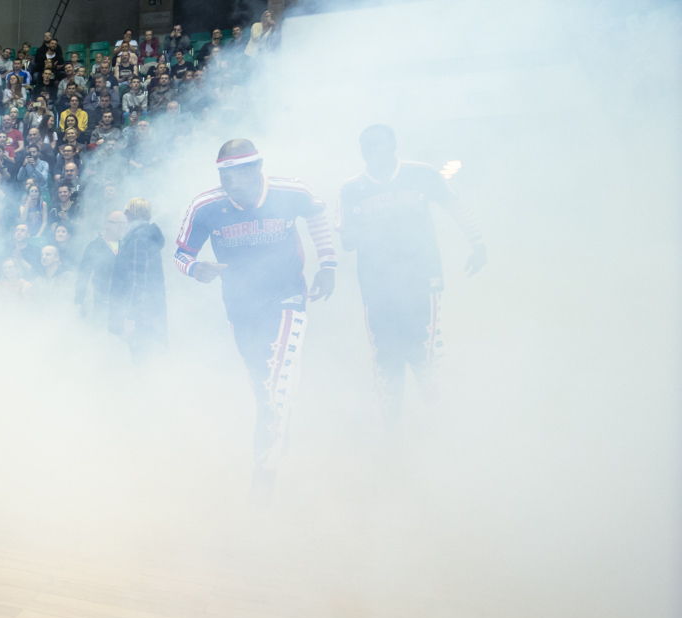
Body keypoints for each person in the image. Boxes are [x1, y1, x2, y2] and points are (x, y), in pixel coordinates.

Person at [174, 139, 336, 482]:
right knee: (262, 383)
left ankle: (264, 471)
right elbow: (182, 254)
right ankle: (280, 430)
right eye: (225, 175)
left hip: (288, 297)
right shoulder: (205, 206)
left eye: (239, 173)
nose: (232, 182)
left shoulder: (290, 191)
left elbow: (317, 214)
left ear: (258, 168)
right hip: (241, 306)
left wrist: (328, 265)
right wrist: (194, 268)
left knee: (277, 376)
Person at [339, 125, 486, 424]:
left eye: (377, 144)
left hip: (422, 275)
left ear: (393, 144)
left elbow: (454, 204)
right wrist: (366, 230)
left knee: (422, 342)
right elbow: (346, 241)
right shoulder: (352, 189)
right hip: (377, 283)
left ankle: (429, 387)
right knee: (385, 352)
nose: (371, 151)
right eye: (365, 146)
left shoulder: (421, 173)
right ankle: (390, 422)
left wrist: (478, 244)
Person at [108, 197, 167, 361]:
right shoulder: (144, 236)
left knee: (139, 358)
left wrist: (130, 317)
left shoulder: (138, 238)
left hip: (139, 314)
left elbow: (137, 280)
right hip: (148, 310)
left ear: (129, 214)